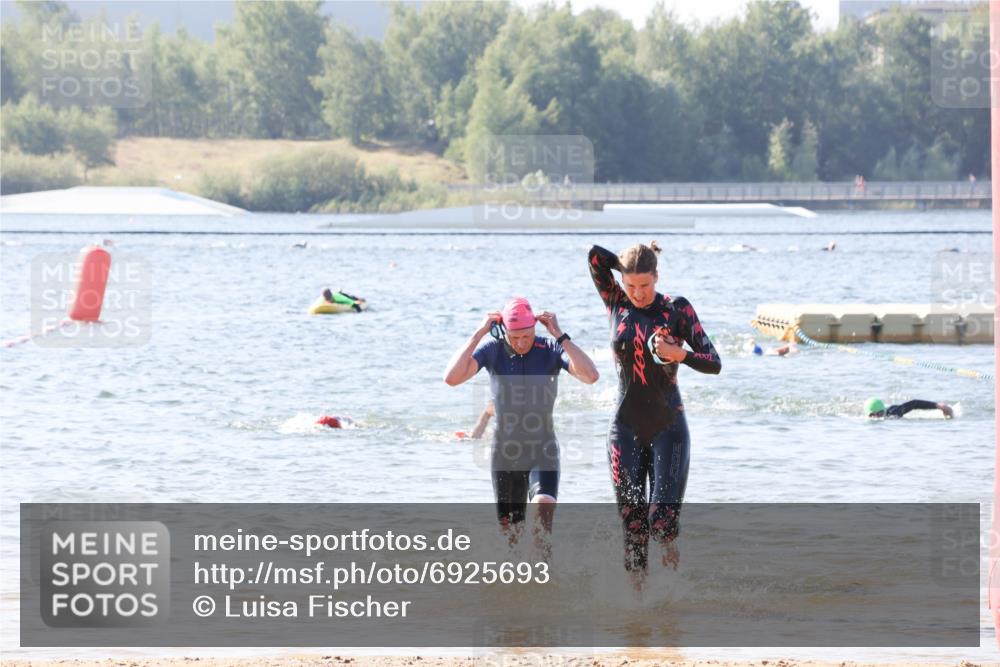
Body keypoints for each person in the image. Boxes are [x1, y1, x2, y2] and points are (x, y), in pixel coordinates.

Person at [588, 242, 721, 587]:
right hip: (624, 427)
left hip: (668, 427)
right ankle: (638, 609)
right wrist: (625, 264)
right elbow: (593, 255)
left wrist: (680, 354)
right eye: (631, 285)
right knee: (633, 523)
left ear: (657, 277)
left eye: (645, 285)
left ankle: (672, 594)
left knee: (661, 523)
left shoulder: (677, 309)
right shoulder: (615, 301)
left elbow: (714, 362)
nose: (637, 293)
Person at [443, 298, 599, 544]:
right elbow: (451, 378)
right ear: (504, 331)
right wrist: (478, 333)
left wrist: (559, 335)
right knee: (511, 539)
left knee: (543, 510)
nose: (520, 343)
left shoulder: (550, 349)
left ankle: (544, 577)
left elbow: (591, 376)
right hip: (505, 454)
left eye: (526, 336)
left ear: (534, 330)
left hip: (542, 449)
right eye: (514, 338)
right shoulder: (493, 350)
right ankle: (519, 581)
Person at [865, 398, 954, 419]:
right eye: (872, 415)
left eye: (880, 413)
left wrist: (938, 406)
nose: (877, 417)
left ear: (884, 411)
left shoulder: (893, 413)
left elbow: (914, 403)